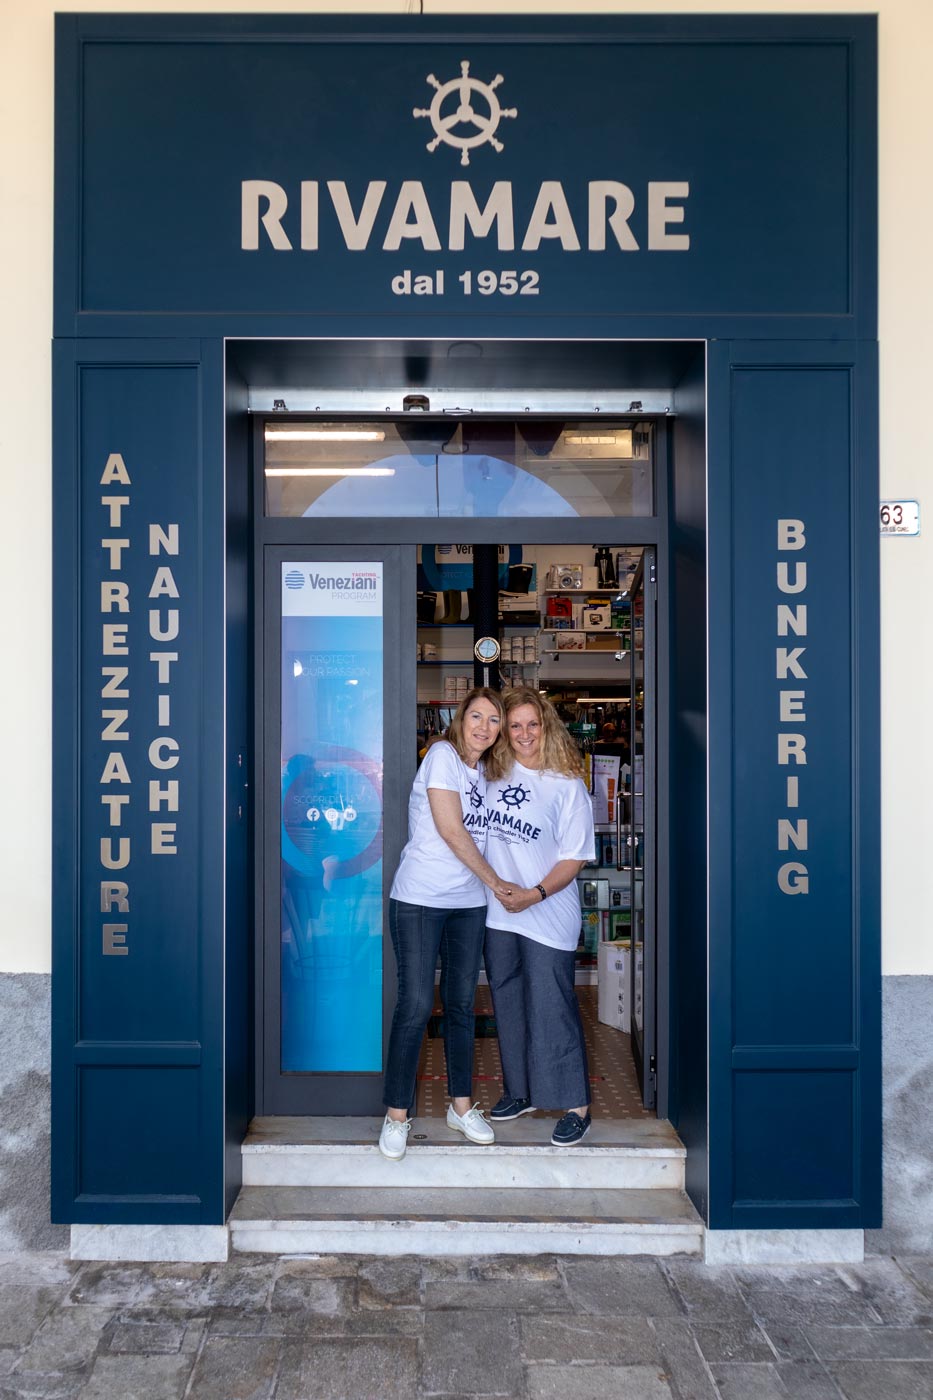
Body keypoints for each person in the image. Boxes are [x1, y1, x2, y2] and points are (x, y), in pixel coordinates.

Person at [379, 688, 513, 1161]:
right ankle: (396, 1115)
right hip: (420, 899)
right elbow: (452, 831)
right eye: (476, 716)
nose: (483, 727)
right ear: (460, 719)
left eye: (493, 720)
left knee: (461, 1005)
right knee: (415, 1004)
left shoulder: (488, 773)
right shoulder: (442, 757)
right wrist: (498, 884)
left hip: (468, 904)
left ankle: (460, 1107)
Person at [484, 687, 596, 1146]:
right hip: (500, 915)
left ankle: (576, 1105)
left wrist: (534, 894)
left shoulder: (566, 784)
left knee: (553, 1008)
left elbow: (575, 858)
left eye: (532, 724)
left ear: (546, 726)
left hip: (547, 911)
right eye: (515, 725)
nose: (524, 733)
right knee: (508, 1005)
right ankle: (521, 1091)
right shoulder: (490, 775)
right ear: (504, 732)